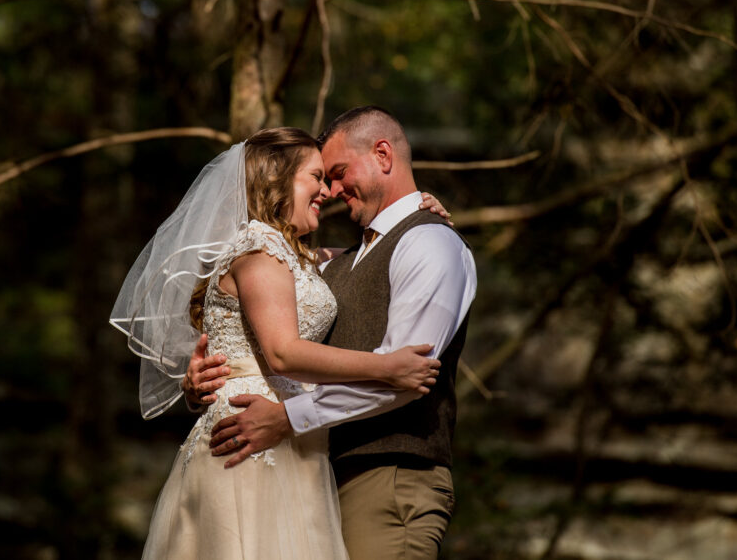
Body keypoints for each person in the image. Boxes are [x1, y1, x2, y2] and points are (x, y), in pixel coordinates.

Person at [109, 127, 447, 560]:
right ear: (278, 182)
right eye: (316, 177)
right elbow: (283, 353)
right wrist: (386, 367)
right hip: (248, 437)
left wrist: (417, 211)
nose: (327, 191)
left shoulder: (298, 256)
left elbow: (371, 258)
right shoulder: (258, 247)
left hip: (290, 438)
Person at [191, 107, 477, 559]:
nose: (333, 190)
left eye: (339, 173)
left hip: (388, 476)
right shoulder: (331, 261)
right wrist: (211, 373)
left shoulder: (430, 243)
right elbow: (247, 311)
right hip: (311, 473)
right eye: (323, 178)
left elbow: (404, 378)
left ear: (383, 154)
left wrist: (287, 418)